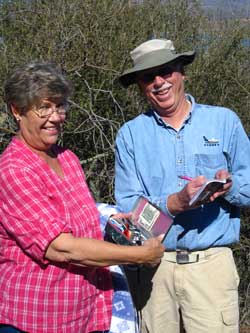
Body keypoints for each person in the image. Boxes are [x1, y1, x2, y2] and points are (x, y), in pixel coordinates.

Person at [0, 61, 165, 333]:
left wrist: (114, 225)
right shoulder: (15, 170)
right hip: (37, 320)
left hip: (84, 313)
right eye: (44, 107)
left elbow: (80, 225)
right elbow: (62, 248)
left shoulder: (67, 159)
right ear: (17, 111)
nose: (56, 116)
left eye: (60, 105)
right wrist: (138, 255)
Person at [115, 38, 250, 333]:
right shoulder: (130, 136)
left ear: (182, 72)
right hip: (154, 268)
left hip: (212, 267)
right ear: (140, 85)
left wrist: (231, 186)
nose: (159, 82)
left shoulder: (224, 122)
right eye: (149, 77)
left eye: (166, 71)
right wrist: (173, 204)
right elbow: (127, 209)